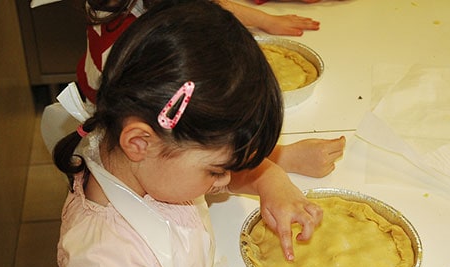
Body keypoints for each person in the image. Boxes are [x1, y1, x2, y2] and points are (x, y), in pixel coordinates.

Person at [53, 1, 322, 267]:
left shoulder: (142, 162)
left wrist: (270, 182)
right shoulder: (106, 264)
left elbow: (198, 175)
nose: (223, 182)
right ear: (140, 142)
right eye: (215, 171)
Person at [77, 0, 345, 179]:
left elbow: (211, 6)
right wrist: (280, 159)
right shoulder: (142, 56)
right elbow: (189, 145)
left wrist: (264, 20)